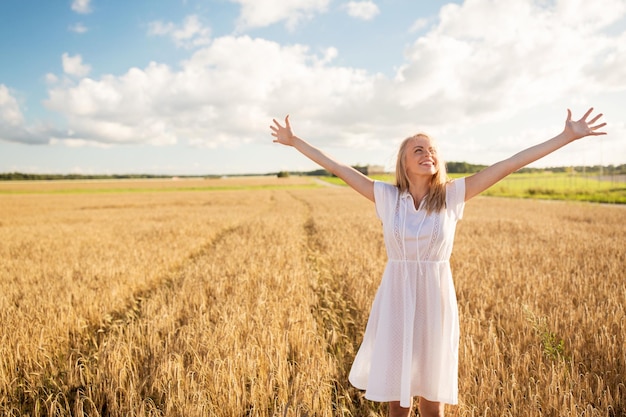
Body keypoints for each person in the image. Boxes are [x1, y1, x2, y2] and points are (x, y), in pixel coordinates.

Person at [270, 108, 606, 417]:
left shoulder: (452, 196)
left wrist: (566, 137)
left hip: (436, 300)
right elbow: (337, 168)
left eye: (431, 150)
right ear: (403, 162)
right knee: (397, 400)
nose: (427, 154)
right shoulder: (387, 198)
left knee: (433, 401)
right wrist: (294, 141)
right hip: (397, 299)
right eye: (418, 150)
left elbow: (508, 164)